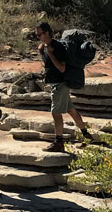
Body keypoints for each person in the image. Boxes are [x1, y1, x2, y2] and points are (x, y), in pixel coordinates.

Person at [34, 21, 92, 152]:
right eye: (36, 35)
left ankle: (58, 142)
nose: (38, 37)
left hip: (60, 84)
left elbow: (61, 68)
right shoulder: (45, 47)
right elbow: (48, 65)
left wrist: (50, 54)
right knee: (71, 110)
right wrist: (42, 52)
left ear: (47, 33)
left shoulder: (57, 47)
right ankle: (87, 136)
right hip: (57, 83)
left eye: (39, 34)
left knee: (56, 113)